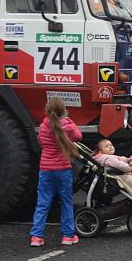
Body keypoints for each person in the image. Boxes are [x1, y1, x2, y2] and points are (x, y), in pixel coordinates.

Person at [29, 97, 82, 247]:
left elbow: (41, 141)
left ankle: (36, 236)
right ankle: (68, 235)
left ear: (47, 111)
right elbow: (78, 136)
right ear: (63, 111)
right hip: (63, 169)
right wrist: (70, 121)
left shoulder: (44, 126)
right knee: (66, 202)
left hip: (45, 169)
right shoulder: (68, 127)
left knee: (43, 202)